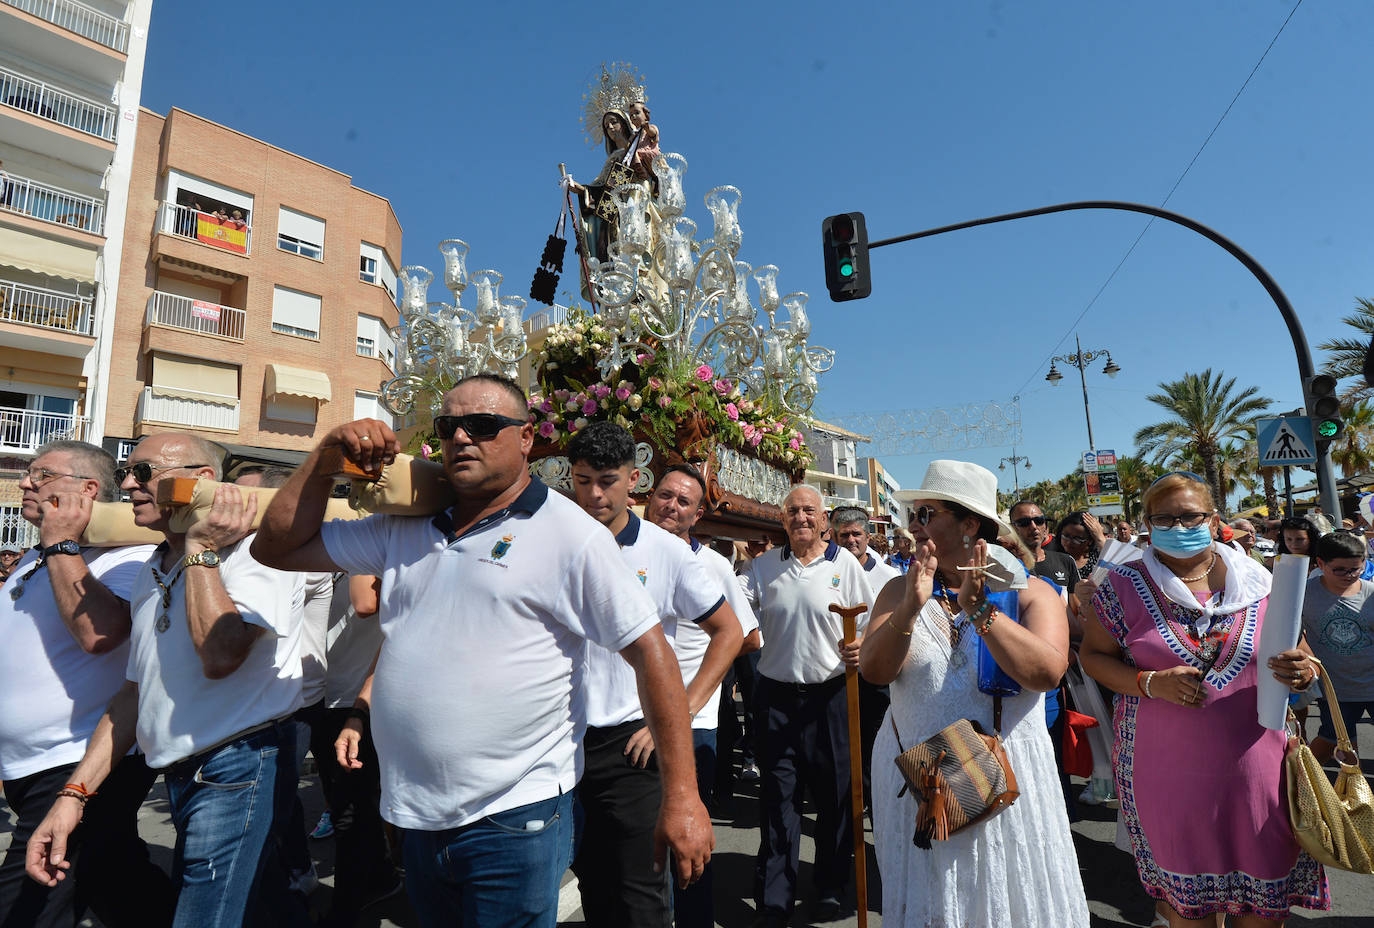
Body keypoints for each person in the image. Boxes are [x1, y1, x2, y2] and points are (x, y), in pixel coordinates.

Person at [249, 373, 712, 927]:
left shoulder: (571, 535)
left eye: (484, 425)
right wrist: (325, 458)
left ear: (526, 440)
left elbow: (652, 652)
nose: (462, 437)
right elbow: (276, 548)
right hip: (416, 814)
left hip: (516, 819)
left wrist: (682, 796)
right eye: (449, 427)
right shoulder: (404, 528)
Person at [25, 432, 311, 928]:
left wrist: (200, 547)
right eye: (124, 474)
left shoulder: (258, 552)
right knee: (265, 908)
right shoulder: (150, 568)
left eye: (143, 472)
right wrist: (72, 797)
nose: (129, 486)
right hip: (180, 772)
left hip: (236, 766)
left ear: (201, 482)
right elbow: (133, 695)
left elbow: (220, 654)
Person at [1079, 472, 1330, 925]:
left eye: (1189, 516)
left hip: (1261, 770)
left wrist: (1302, 671)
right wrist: (1149, 683)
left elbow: (1304, 655)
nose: (1178, 526)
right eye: (1165, 518)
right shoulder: (1122, 586)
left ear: (1214, 520)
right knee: (1189, 913)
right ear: (1147, 524)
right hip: (1168, 772)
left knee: (1263, 910)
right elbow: (1093, 656)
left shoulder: (1263, 583)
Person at [860, 460, 1088, 927]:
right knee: (932, 898)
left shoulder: (1030, 593)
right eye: (914, 515)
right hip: (921, 773)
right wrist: (909, 607)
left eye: (928, 514)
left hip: (1001, 774)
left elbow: (1047, 673)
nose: (915, 525)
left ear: (969, 524)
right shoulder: (896, 591)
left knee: (1006, 894)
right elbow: (875, 671)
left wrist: (981, 610)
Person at [566, 423, 741, 928]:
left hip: (632, 747)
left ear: (632, 480)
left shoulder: (667, 553)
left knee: (643, 894)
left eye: (607, 481)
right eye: (582, 481)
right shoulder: (560, 542)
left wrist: (679, 711)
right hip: (562, 740)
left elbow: (729, 632)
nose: (595, 495)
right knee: (593, 883)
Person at [1, 442, 174, 928]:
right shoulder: (37, 557)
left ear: (88, 490)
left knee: (26, 904)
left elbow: (99, 634)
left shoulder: (131, 556)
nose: (26, 483)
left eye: (43, 475)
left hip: (79, 760)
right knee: (118, 881)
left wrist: (61, 545)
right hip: (29, 762)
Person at [741, 485, 871, 926]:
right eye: (793, 511)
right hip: (775, 698)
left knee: (835, 797)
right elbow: (734, 610)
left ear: (824, 520)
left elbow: (872, 621)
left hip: (831, 698)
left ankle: (831, 887)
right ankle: (776, 896)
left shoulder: (846, 564)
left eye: (809, 511)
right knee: (778, 801)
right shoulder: (761, 567)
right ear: (782, 520)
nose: (800, 517)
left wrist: (863, 646)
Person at [642, 461, 760, 928]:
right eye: (665, 495)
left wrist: (692, 696)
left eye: (684, 502)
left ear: (698, 515)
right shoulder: (615, 549)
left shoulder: (711, 565)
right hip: (630, 722)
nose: (671, 506)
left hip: (695, 723)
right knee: (638, 844)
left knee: (689, 846)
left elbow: (746, 637)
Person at [830, 506, 900, 809]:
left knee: (874, 746)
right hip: (833, 675)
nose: (850, 540)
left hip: (874, 677)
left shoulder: (890, 577)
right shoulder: (825, 569)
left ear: (867, 536)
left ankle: (877, 809)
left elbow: (896, 625)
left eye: (856, 534)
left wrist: (865, 642)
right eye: (843, 535)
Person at [1301, 530, 1374, 764]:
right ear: (1320, 564)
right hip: (1334, 690)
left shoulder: (1371, 594)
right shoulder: (1304, 594)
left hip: (1371, 682)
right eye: (1340, 569)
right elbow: (1288, 634)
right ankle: (1299, 782)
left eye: (1356, 568)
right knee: (1337, 744)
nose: (1349, 575)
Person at [1010, 500, 1079, 593]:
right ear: (1012, 528)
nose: (1034, 526)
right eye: (1024, 522)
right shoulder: (1005, 566)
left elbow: (1075, 605)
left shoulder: (1066, 561)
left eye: (1039, 521)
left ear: (1045, 528)